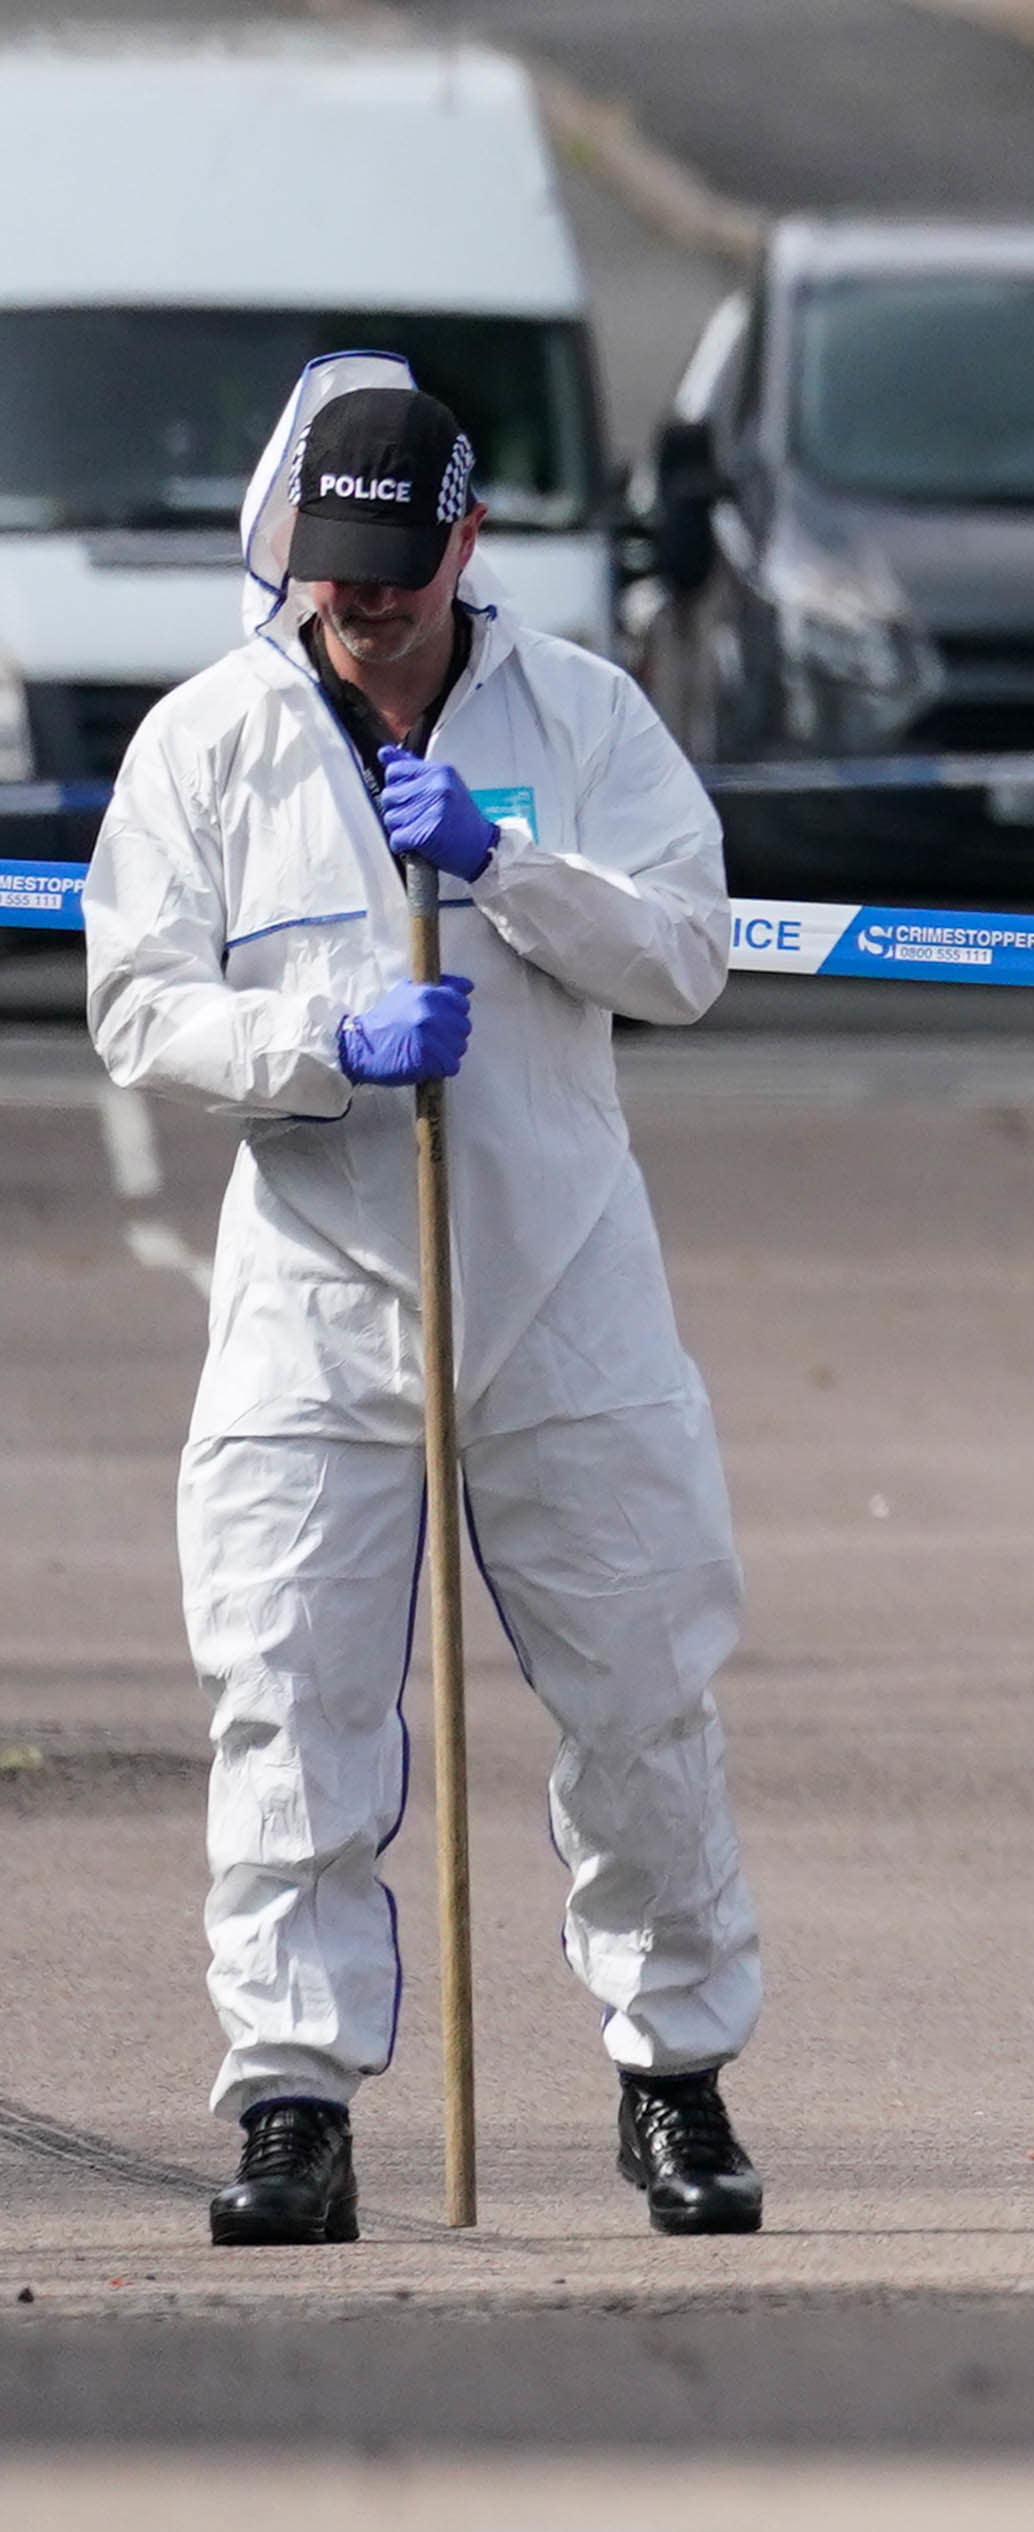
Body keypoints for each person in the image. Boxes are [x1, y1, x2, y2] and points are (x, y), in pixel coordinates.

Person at [84, 360, 766, 2248]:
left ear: (467, 543)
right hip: (317, 1295)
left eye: (395, 569)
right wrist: (322, 1035)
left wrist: (508, 868)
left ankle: (675, 2085)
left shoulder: (586, 716)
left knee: (645, 1690)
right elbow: (140, 1007)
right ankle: (293, 2109)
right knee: (288, 1705)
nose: (360, 603)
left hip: (559, 1284)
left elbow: (693, 950)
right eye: (330, 569)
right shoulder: (210, 744)